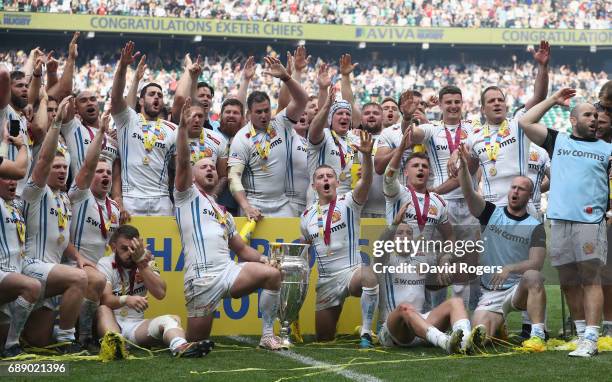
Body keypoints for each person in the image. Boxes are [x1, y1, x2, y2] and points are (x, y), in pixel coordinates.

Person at [174, 99, 283, 350]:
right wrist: (181, 129)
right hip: (201, 280)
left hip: (228, 272)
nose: (210, 169)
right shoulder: (186, 196)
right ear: (191, 175)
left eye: (212, 166)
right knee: (196, 343)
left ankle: (267, 336)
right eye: (203, 167)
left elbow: (242, 251)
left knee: (272, 274)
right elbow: (182, 161)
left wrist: (265, 260)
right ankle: (174, 335)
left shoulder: (224, 213)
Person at [519, 88, 612, 357]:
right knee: (568, 280)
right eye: (588, 114)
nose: (594, 119)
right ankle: (581, 334)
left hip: (589, 223)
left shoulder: (607, 149)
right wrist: (552, 101)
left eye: (596, 115)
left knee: (591, 278)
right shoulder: (557, 140)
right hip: (559, 222)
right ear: (573, 120)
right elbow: (525, 122)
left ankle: (592, 338)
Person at [456, 143, 548, 351]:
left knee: (533, 276)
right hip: (492, 291)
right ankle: (497, 328)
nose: (515, 192)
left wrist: (510, 268)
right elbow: (469, 194)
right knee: (479, 338)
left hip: (518, 289)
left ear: (529, 195)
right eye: (513, 188)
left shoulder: (535, 227)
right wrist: (463, 169)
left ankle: (537, 335)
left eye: (521, 189)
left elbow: (537, 262)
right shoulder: (490, 213)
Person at [20, 96, 88, 352]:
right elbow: (44, 158)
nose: (61, 171)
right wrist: (57, 122)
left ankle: (46, 335)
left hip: (50, 276)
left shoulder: (64, 198)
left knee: (37, 342)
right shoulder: (35, 192)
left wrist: (78, 256)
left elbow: (62, 238)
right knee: (79, 279)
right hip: (32, 267)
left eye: (64, 167)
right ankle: (68, 339)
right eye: (55, 167)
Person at [300, 130, 379, 348]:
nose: (325, 179)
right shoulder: (307, 216)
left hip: (351, 273)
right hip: (326, 280)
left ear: (336, 181)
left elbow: (366, 182)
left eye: (329, 176)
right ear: (314, 185)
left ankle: (365, 331)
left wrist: (365, 156)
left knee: (369, 276)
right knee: (324, 339)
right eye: (320, 177)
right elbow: (305, 247)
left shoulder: (349, 202)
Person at [375, 207, 486, 354]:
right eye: (399, 233)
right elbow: (380, 249)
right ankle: (445, 342)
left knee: (456, 302)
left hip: (422, 324)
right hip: (394, 330)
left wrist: (445, 260)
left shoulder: (423, 257)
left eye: (409, 233)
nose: (405, 237)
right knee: (405, 307)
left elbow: (446, 259)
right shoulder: (386, 259)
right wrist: (393, 225)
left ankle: (464, 341)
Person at [96, 225, 206, 357]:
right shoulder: (105, 263)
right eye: (124, 249)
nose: (130, 253)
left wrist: (141, 265)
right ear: (113, 247)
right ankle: (116, 345)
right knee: (102, 309)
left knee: (171, 319)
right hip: (111, 320)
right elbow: (105, 299)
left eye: (133, 248)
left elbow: (160, 293)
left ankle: (181, 347)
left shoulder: (147, 261)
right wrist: (126, 299)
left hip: (135, 326)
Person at [228, 55, 307, 219]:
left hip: (282, 203)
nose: (264, 115)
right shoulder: (242, 137)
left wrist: (286, 77)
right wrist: (246, 206)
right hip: (254, 204)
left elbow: (302, 100)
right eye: (258, 112)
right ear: (249, 114)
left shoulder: (281, 123)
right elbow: (233, 177)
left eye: (266, 110)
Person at [66, 111, 119, 350]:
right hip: (72, 262)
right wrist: (100, 135)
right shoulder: (81, 195)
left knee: (104, 280)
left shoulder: (115, 209)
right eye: (100, 172)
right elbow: (87, 165)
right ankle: (84, 336)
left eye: (108, 172)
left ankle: (91, 332)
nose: (105, 175)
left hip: (98, 268)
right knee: (98, 279)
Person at [110, 41, 177, 216]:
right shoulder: (128, 120)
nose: (157, 98)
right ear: (141, 101)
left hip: (161, 199)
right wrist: (123, 67)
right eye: (152, 94)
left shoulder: (172, 129)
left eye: (160, 96)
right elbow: (116, 97)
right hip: (131, 198)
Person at [0, 133, 41, 357]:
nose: (13, 181)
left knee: (40, 338)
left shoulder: (16, 204)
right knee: (32, 286)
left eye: (14, 180)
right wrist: (9, 144)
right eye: (6, 178)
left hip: (11, 277)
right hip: (3, 275)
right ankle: (12, 346)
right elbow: (14, 168)